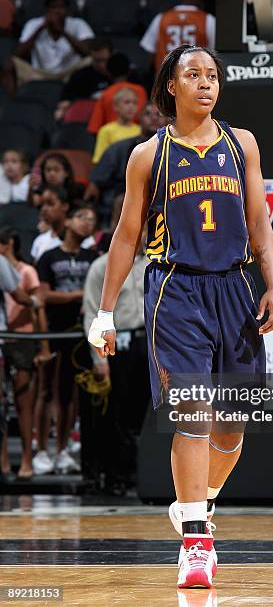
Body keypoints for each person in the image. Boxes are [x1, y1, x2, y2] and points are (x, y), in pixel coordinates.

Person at [88, 45, 273, 588]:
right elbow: (126, 236)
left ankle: (199, 502)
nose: (205, 83)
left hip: (234, 289)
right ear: (171, 87)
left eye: (212, 75)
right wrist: (104, 312)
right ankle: (196, 543)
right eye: (192, 74)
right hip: (175, 289)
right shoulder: (149, 155)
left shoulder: (241, 144)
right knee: (192, 411)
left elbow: (258, 222)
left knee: (233, 426)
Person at [83, 197, 149, 493]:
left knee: (149, 411)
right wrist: (99, 361)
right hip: (117, 345)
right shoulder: (101, 267)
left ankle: (150, 473)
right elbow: (90, 313)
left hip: (151, 342)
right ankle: (120, 476)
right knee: (118, 414)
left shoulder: (157, 264)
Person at [38, 202, 98, 473]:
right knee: (53, 391)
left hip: (83, 333)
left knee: (77, 393)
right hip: (56, 331)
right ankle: (43, 449)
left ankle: (65, 448)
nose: (87, 223)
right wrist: (78, 295)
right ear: (69, 221)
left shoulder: (92, 257)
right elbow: (44, 295)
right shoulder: (49, 257)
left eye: (92, 220)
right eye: (82, 216)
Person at [0, 227, 51, 478]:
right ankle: (4, 461)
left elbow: (35, 307)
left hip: (22, 337)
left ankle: (27, 460)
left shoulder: (27, 271)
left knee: (23, 401)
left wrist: (43, 346)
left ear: (10, 243)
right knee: (2, 403)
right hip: (4, 336)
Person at [85, 102, 168, 222]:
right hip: (122, 200)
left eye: (159, 114)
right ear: (139, 119)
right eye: (148, 114)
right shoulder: (118, 148)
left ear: (167, 119)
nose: (154, 117)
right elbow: (94, 185)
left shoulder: (176, 149)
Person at [2, 0, 94, 94]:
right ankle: (12, 102)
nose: (57, 11)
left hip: (70, 73)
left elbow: (87, 51)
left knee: (91, 60)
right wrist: (40, 29)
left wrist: (63, 32)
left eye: (61, 7)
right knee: (10, 62)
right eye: (53, 7)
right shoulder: (34, 24)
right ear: (46, 10)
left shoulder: (78, 24)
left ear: (68, 11)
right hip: (39, 73)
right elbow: (18, 53)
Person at [140, 0, 215, 73]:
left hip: (166, 77)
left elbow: (149, 53)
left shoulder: (161, 18)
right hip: (194, 78)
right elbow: (214, 54)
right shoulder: (208, 19)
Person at [87, 53, 148, 134]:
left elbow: (94, 128)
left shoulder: (106, 94)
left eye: (134, 103)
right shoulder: (141, 91)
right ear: (129, 71)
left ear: (108, 72)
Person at [55, 37, 113, 121]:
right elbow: (65, 100)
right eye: (97, 61)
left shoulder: (122, 74)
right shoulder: (80, 76)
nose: (101, 65)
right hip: (85, 118)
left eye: (104, 60)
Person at [31, 186, 94, 263]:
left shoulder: (83, 237)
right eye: (42, 205)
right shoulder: (39, 241)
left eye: (50, 204)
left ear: (65, 206)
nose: (44, 209)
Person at [92, 87, 141, 164]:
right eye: (127, 102)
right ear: (116, 106)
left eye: (134, 103)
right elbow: (99, 160)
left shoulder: (140, 130)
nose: (131, 107)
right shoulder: (106, 130)